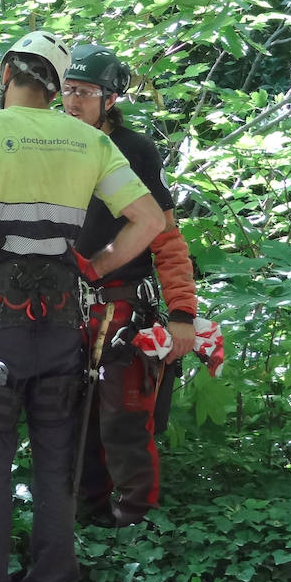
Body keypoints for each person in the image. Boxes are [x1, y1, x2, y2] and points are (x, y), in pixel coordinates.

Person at [0, 30, 165, 582]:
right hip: (61, 320)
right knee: (57, 468)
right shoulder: (89, 141)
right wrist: (99, 266)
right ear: (58, 88)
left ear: (7, 73)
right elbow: (149, 220)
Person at [61, 43, 198, 528]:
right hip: (62, 308)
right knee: (70, 420)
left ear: (110, 99)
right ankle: (86, 518)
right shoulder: (48, 142)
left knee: (123, 420)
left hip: (121, 309)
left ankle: (135, 524)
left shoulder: (133, 150)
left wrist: (182, 314)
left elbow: (166, 237)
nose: (73, 101)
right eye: (68, 90)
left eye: (85, 92)